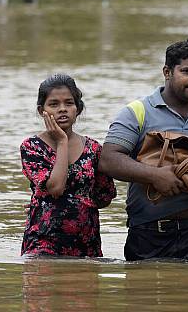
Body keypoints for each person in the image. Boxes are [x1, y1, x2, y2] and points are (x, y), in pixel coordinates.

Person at [99, 39, 188, 262]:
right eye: (187, 71)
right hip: (148, 234)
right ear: (167, 72)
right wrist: (155, 176)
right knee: (148, 295)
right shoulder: (137, 112)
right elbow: (108, 159)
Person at [20, 74, 117, 257]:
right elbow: (55, 188)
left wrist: (73, 205)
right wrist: (62, 142)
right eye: (54, 104)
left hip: (86, 243)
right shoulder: (32, 147)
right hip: (43, 241)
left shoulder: (94, 149)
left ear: (78, 109)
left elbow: (104, 197)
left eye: (69, 103)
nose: (62, 109)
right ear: (42, 111)